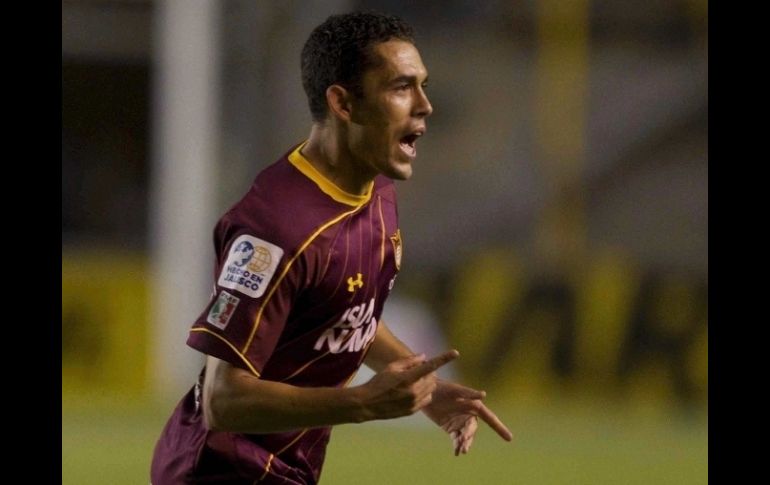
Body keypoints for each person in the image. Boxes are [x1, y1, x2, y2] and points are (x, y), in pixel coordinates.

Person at [150, 11, 512, 485]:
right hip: (223, 470)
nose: (424, 105)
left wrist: (423, 387)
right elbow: (223, 400)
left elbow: (342, 312)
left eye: (422, 86)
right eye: (401, 87)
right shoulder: (274, 230)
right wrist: (363, 402)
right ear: (343, 102)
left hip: (284, 467)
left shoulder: (376, 190)